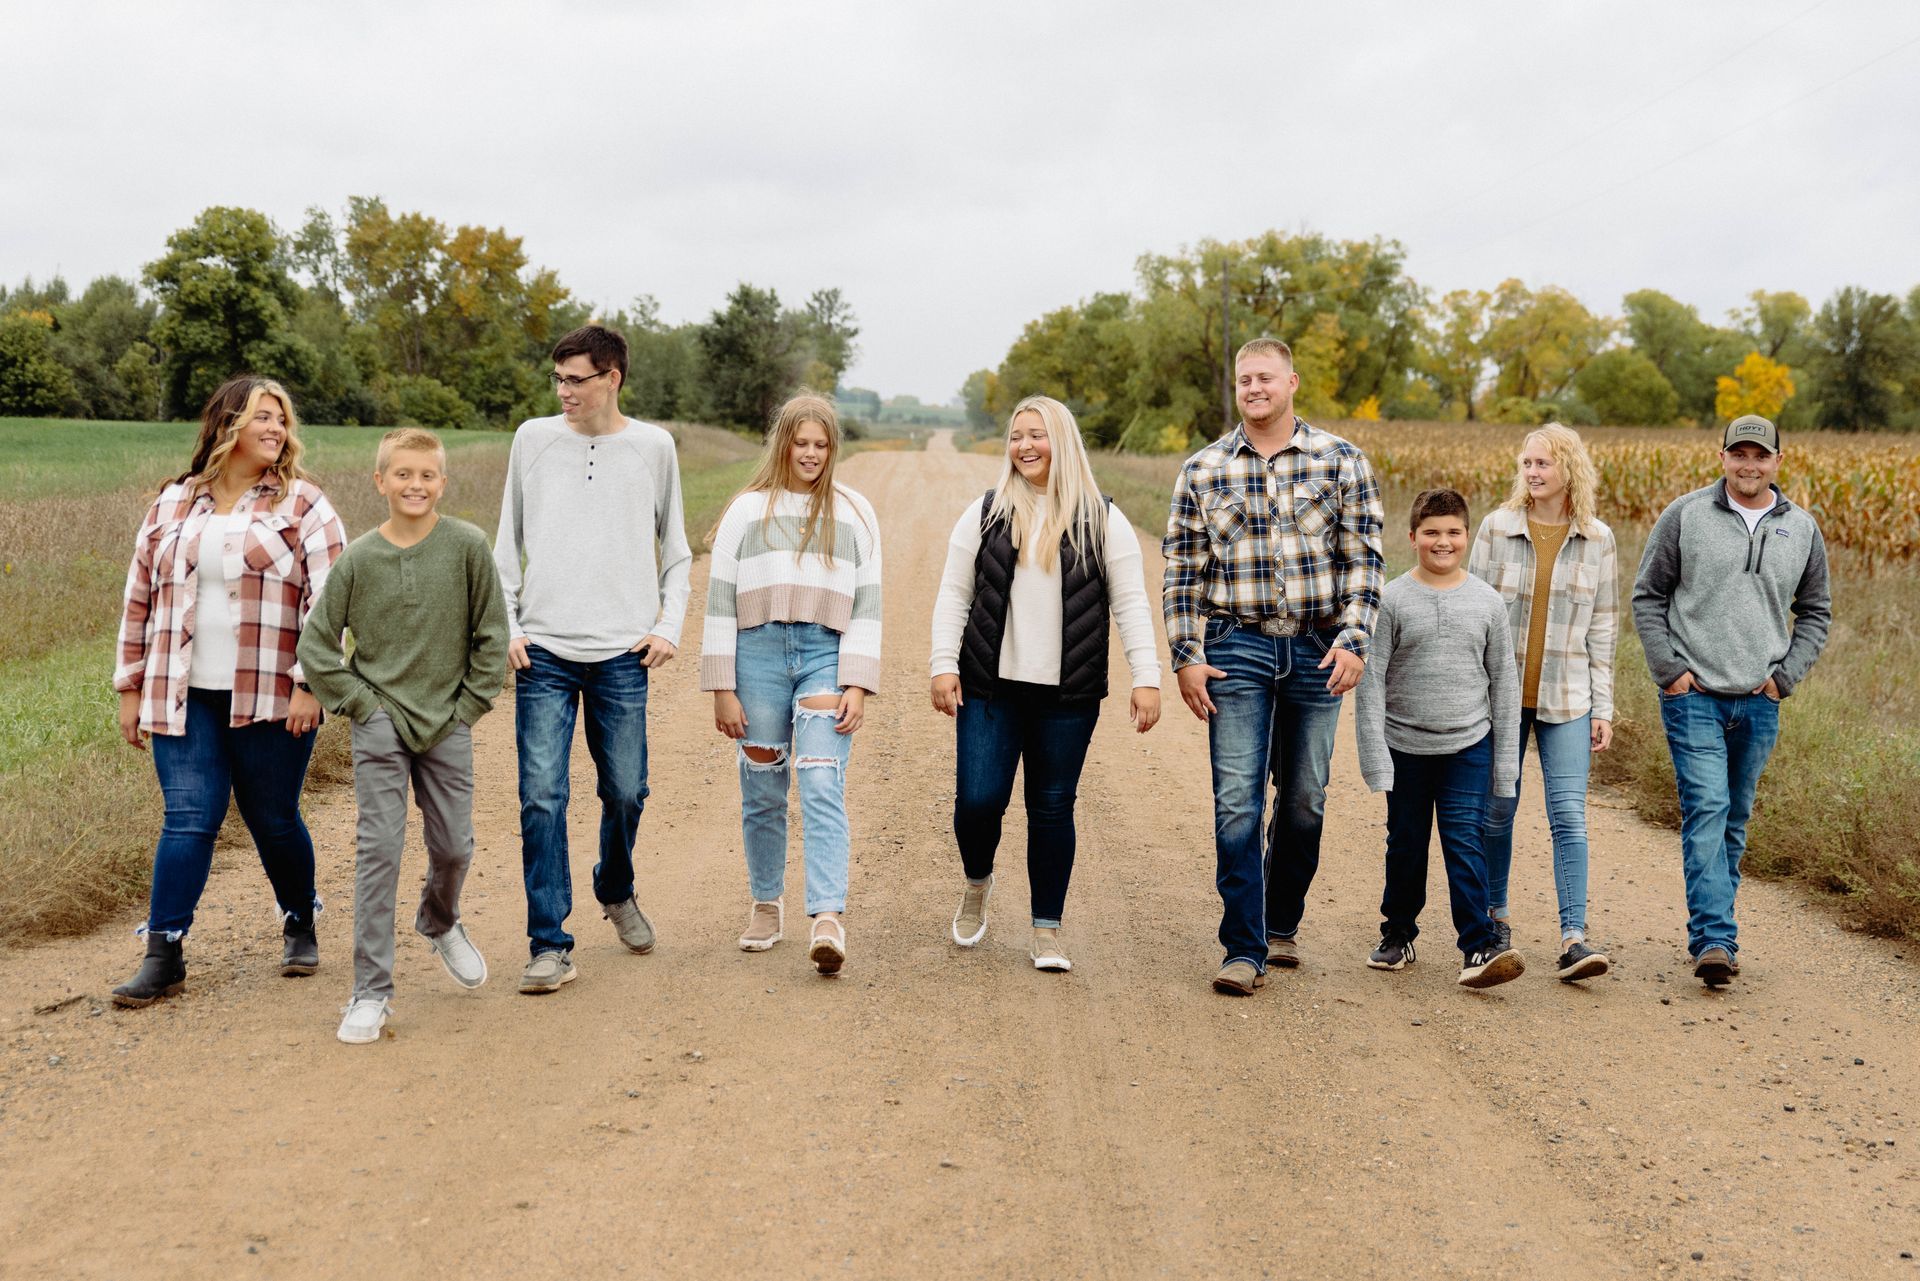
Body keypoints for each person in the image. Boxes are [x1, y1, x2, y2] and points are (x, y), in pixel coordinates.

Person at [110, 376, 346, 1007]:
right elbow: (139, 601)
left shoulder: (304, 505)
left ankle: (299, 918)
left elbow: (332, 602)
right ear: (225, 423)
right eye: (263, 417)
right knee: (189, 818)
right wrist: (130, 688)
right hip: (181, 694)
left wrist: (311, 685)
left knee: (273, 819)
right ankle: (164, 953)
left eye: (282, 420)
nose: (277, 429)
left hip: (272, 696)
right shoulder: (171, 504)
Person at [1163, 337, 1386, 996]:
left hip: (1320, 648)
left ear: (1291, 381)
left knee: (1305, 800)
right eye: (1244, 380)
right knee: (1236, 802)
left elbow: (1366, 559)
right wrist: (1187, 655)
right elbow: (1182, 573)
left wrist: (1354, 638)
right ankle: (1243, 946)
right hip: (1237, 646)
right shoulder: (1202, 470)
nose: (1254, 388)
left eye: (1265, 377)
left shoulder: (1341, 460)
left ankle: (1280, 919)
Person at [929, 395, 1162, 972]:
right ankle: (977, 883)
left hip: (1066, 695)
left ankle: (1046, 929)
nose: (1025, 446)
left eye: (1038, 435)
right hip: (990, 688)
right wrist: (942, 663)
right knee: (979, 801)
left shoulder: (1102, 518)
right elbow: (955, 593)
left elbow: (1131, 603)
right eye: (1016, 436)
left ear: (1063, 441)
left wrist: (1147, 677)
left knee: (1053, 807)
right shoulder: (985, 512)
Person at [494, 325, 692, 995]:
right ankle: (549, 942)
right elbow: (505, 544)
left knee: (627, 789)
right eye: (558, 379)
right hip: (544, 649)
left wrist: (668, 623)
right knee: (542, 797)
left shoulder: (653, 447)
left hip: (623, 651)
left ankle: (616, 884)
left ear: (612, 377)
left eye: (576, 378)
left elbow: (678, 549)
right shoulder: (532, 439)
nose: (563, 391)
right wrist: (509, 624)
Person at [298, 428, 509, 1044]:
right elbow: (317, 643)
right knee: (379, 851)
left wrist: (469, 705)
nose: (415, 485)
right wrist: (361, 705)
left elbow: (492, 634)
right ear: (381, 481)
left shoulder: (468, 546)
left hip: (447, 718)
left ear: (442, 482)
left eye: (427, 476)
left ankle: (440, 920)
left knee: (454, 846)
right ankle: (370, 991)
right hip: (381, 720)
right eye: (403, 475)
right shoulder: (359, 558)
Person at [1631, 414, 1830, 987]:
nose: (1749, 465)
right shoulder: (1686, 514)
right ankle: (1715, 939)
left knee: (1735, 820)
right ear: (1722, 457)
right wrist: (1670, 671)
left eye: (1760, 455)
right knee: (1708, 810)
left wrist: (1784, 677)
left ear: (1777, 461)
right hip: (1694, 695)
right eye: (1738, 454)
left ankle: (1712, 930)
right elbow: (1648, 595)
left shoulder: (1803, 530)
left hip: (1759, 699)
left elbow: (1815, 612)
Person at [701, 392, 881, 975]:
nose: (810, 454)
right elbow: (719, 601)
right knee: (762, 787)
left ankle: (827, 916)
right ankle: (765, 902)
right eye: (800, 443)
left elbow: (869, 603)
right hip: (754, 654)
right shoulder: (745, 511)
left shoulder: (854, 512)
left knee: (822, 779)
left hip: (824, 653)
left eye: (820, 445)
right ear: (783, 444)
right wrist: (720, 684)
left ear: (833, 449)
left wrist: (857, 681)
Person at [1356, 488, 1524, 988]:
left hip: (1469, 744)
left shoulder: (1488, 602)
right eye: (1431, 532)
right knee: (1405, 844)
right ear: (1412, 537)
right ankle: (1397, 933)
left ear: (1467, 537)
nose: (1442, 541)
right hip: (1405, 747)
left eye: (1452, 532)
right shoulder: (1390, 599)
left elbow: (1505, 684)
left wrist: (1506, 764)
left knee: (1465, 841)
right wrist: (1375, 760)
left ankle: (1477, 944)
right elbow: (1372, 681)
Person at [1468, 424, 1618, 982]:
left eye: (1543, 464)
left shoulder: (1597, 539)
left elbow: (1603, 628)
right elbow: (1471, 613)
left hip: (1569, 698)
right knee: (1498, 809)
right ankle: (1495, 920)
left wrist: (1603, 707)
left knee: (1569, 817)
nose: (1532, 473)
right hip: (1500, 698)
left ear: (1568, 469)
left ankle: (1575, 938)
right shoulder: (1495, 529)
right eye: (1527, 463)